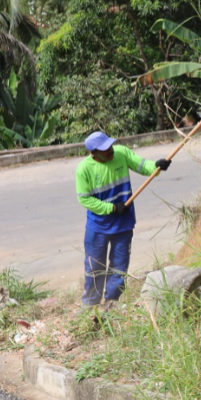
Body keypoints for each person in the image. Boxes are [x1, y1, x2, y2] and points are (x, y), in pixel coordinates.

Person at [75, 131, 171, 307]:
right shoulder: (83, 169)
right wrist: (111, 208)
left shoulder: (121, 153)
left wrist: (156, 166)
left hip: (123, 223)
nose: (110, 150)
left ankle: (111, 303)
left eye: (110, 146)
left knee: (119, 267)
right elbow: (84, 199)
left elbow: (142, 165)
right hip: (98, 226)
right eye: (105, 149)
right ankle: (90, 304)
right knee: (94, 267)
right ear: (94, 153)